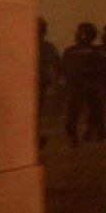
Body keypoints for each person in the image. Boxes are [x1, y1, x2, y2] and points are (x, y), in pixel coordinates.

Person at [61, 22, 106, 146]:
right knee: (89, 111)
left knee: (80, 112)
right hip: (82, 85)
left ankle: (86, 134)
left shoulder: (71, 50)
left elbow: (64, 70)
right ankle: (88, 134)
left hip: (83, 85)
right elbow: (64, 69)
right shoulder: (95, 50)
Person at [37, 18, 61, 146]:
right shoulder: (48, 47)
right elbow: (57, 65)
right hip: (39, 82)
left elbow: (57, 65)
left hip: (36, 83)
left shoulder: (47, 47)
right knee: (36, 111)